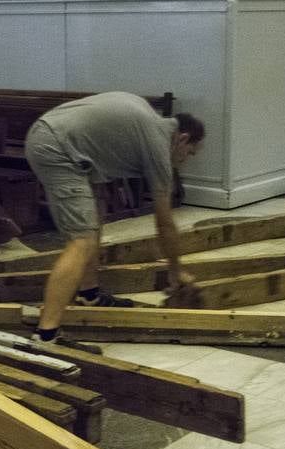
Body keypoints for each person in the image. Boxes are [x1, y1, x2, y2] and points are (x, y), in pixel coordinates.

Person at [24, 92, 204, 344]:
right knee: (82, 240)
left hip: (54, 137)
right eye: (191, 153)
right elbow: (164, 223)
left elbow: (99, 143)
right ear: (183, 139)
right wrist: (177, 271)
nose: (186, 160)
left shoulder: (150, 121)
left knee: (92, 224)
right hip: (56, 147)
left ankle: (89, 294)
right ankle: (46, 335)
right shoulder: (159, 144)